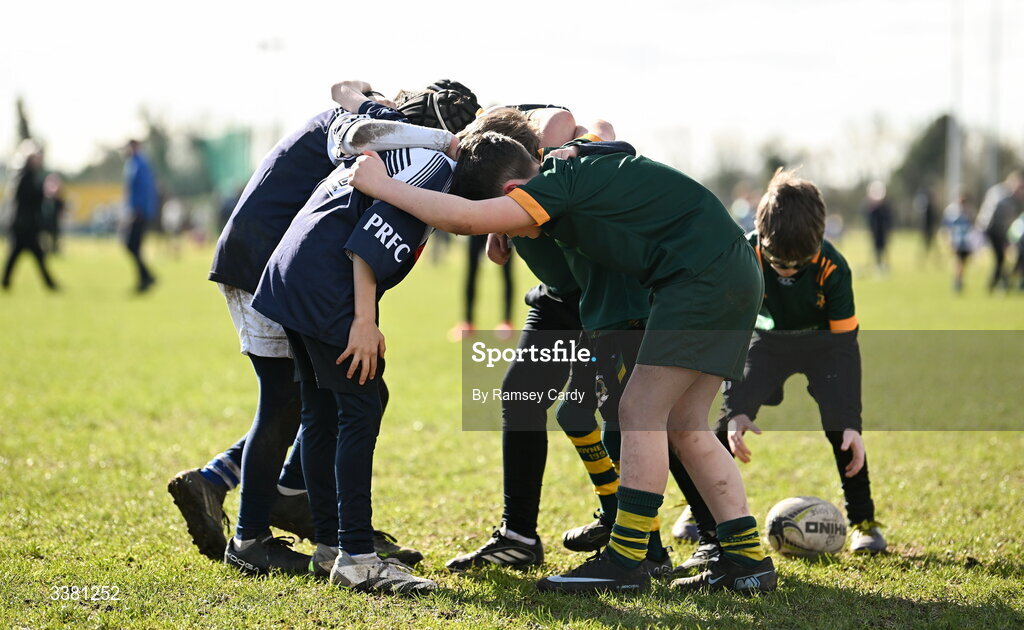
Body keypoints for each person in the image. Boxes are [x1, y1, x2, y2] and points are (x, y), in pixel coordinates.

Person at [348, 132, 776, 595]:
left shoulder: (556, 182)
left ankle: (627, 560)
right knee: (686, 425)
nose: (511, 233)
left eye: (509, 221)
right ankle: (746, 561)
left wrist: (384, 187)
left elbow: (468, 219)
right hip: (729, 269)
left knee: (640, 412)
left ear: (514, 193)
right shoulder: (569, 172)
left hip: (699, 279)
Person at [168, 80, 470, 572]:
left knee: (326, 394)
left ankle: (282, 497)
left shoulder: (381, 128)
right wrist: (441, 142)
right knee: (292, 399)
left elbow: (348, 91)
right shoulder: (360, 128)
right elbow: (357, 116)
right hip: (265, 261)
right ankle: (251, 536)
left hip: (279, 262)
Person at [672, 169, 886, 563]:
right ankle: (703, 509)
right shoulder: (743, 254)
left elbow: (844, 348)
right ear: (761, 236)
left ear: (819, 241)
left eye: (798, 264)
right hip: (765, 341)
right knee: (725, 424)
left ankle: (864, 521)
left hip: (823, 344)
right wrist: (737, 407)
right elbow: (730, 335)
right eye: (777, 262)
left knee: (841, 429)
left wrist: (852, 420)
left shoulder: (834, 269)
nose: (786, 271)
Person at [2, 141, 58, 291]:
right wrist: (45, 192)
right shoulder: (25, 177)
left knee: (24, 255)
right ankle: (49, 284)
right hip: (24, 224)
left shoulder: (28, 176)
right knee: (27, 255)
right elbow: (28, 198)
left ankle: (6, 282)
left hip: (26, 223)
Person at [976, 170, 1024, 292]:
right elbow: (991, 214)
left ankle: (1001, 283)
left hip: (1001, 231)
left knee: (1003, 258)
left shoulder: (1015, 198)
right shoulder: (999, 193)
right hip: (991, 229)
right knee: (1000, 257)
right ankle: (995, 284)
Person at [122, 139, 158, 293]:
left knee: (132, 244)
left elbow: (144, 190)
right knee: (133, 246)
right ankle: (145, 278)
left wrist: (138, 210)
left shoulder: (139, 165)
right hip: (137, 211)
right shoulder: (134, 164)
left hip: (139, 212)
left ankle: (146, 278)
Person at [943, 194, 978, 293]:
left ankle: (959, 280)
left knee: (963, 263)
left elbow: (972, 228)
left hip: (966, 243)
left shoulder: (968, 214)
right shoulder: (953, 214)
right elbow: (948, 229)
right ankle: (957, 281)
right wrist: (949, 241)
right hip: (958, 243)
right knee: (958, 262)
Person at [864, 180, 892, 275]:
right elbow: (870, 221)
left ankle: (884, 266)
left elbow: (888, 219)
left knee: (883, 248)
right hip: (875, 232)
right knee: (876, 249)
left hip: (882, 231)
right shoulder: (872, 209)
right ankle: (878, 265)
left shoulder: (884, 208)